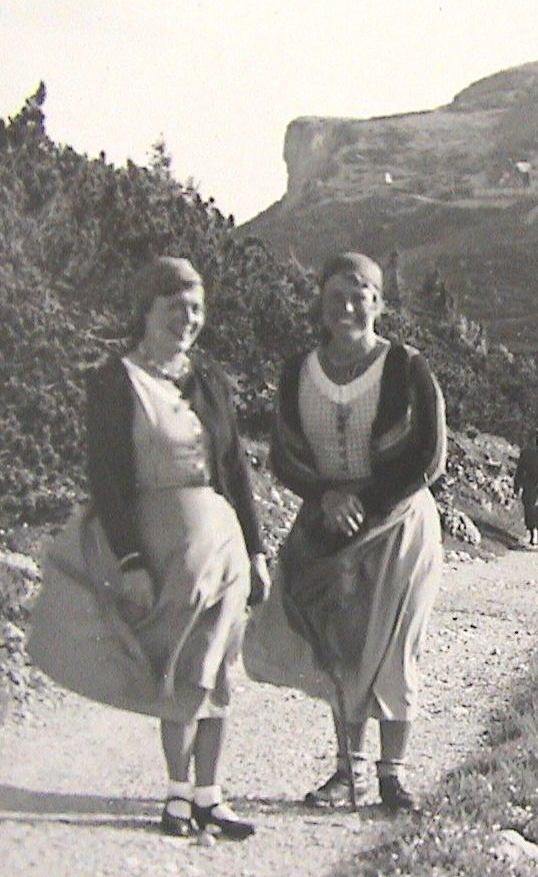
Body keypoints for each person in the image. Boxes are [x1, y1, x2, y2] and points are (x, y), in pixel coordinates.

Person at [28, 256, 270, 840]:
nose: (188, 319)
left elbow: (235, 470)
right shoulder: (115, 381)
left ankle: (210, 794)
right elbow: (107, 479)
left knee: (216, 668)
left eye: (197, 308)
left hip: (223, 545)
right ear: (147, 309)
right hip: (162, 544)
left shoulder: (209, 380)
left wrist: (259, 552)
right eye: (175, 306)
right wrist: (130, 560)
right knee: (176, 665)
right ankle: (176, 792)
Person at [243, 252, 446, 812]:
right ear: (321, 304)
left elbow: (430, 457)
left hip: (399, 523)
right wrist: (326, 497)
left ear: (379, 303)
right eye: (336, 296)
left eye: (361, 295)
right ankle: (348, 773)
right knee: (342, 649)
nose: (348, 307)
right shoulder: (297, 372)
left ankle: (393, 777)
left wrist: (363, 500)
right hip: (330, 527)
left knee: (395, 646)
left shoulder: (408, 368)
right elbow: (283, 453)